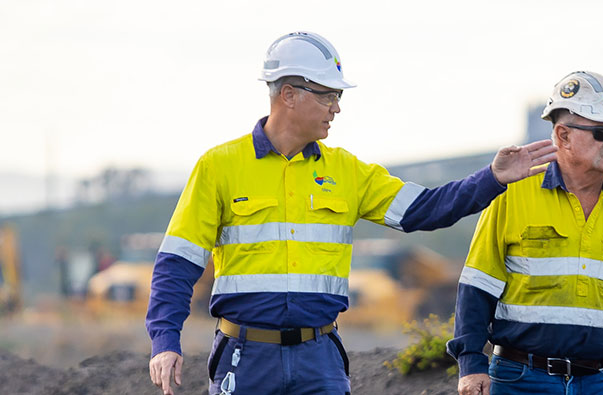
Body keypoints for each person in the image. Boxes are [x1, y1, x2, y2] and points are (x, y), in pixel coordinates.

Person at [145, 31, 558, 395]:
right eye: (327, 94)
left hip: (319, 359)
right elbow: (178, 263)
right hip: (245, 357)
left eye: (336, 96)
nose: (336, 108)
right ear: (289, 94)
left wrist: (491, 179)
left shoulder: (348, 172)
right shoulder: (219, 167)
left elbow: (424, 209)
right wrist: (165, 340)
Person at [447, 71, 603, 394]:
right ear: (563, 136)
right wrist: (471, 365)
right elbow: (477, 287)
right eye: (600, 132)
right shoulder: (513, 195)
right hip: (522, 380)